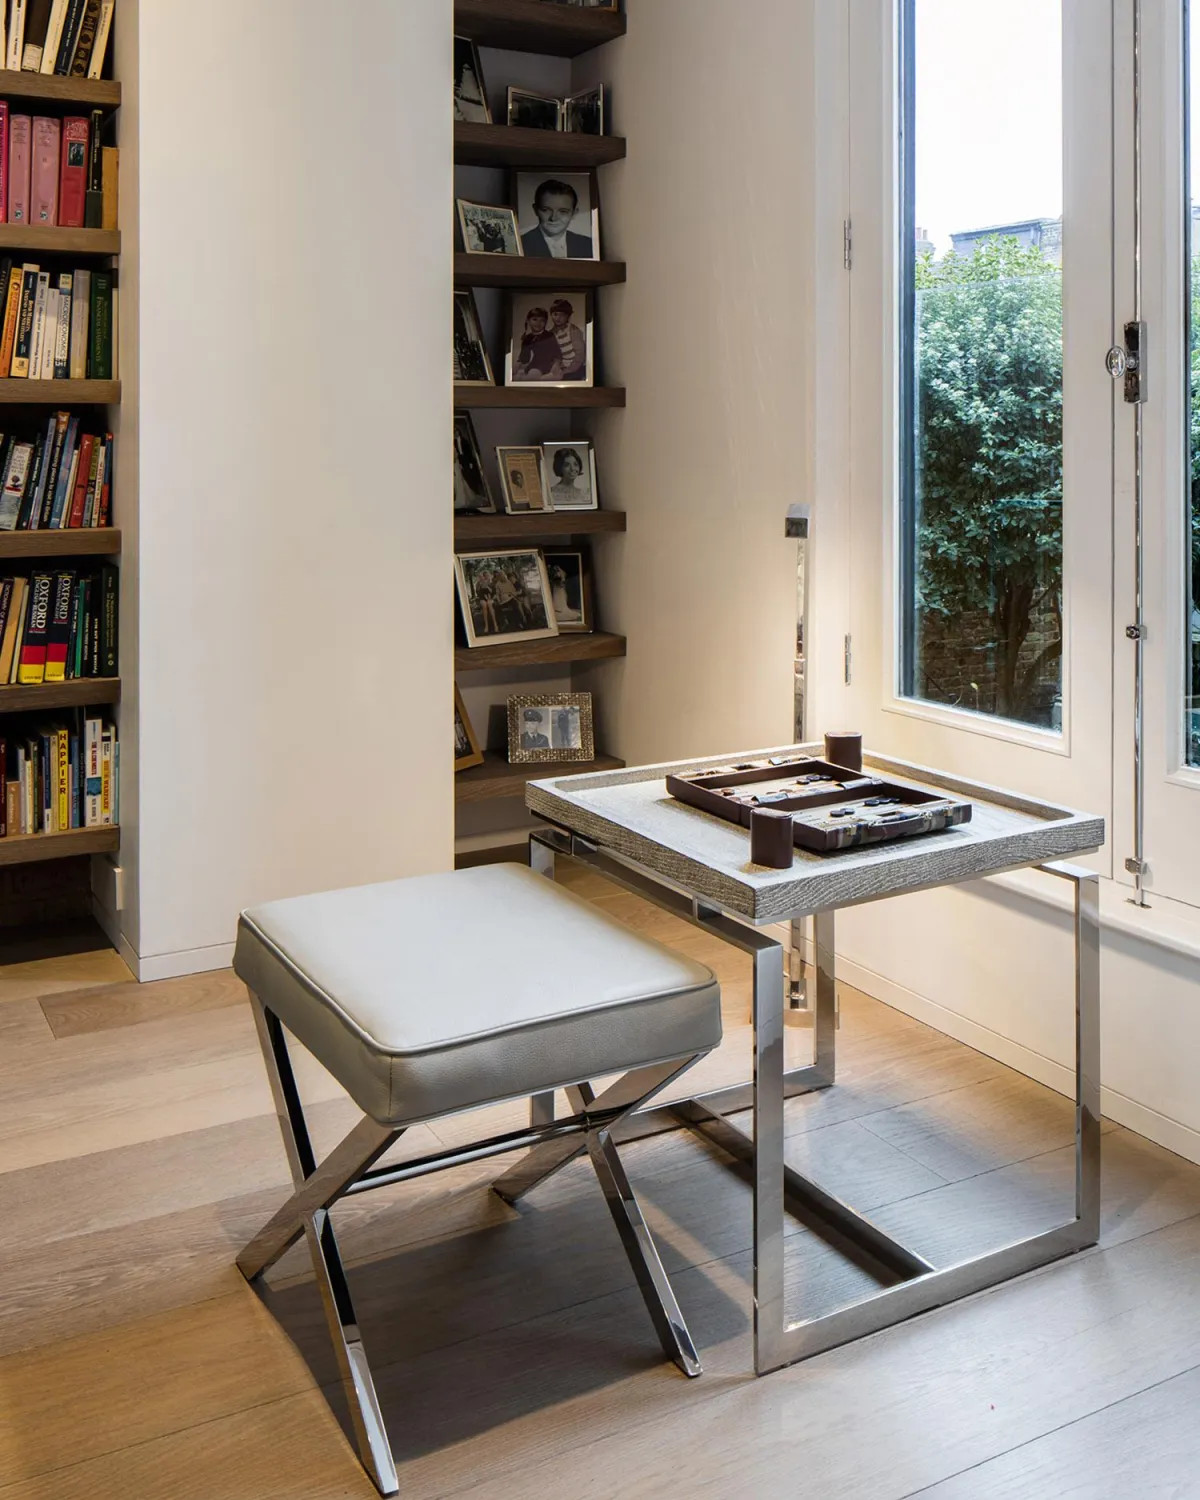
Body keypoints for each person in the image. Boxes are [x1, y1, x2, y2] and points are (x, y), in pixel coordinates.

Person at [521, 179, 593, 259]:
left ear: (574, 213)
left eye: (563, 211)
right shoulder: (521, 245)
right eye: (546, 210)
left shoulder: (589, 245)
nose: (553, 218)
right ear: (535, 210)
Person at [514, 307, 562, 381]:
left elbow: (557, 353)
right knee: (517, 376)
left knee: (533, 374)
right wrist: (517, 365)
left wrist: (556, 364)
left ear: (545, 322)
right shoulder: (527, 338)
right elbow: (524, 358)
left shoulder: (549, 336)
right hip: (534, 365)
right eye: (535, 319)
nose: (538, 323)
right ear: (528, 321)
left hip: (547, 365)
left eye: (542, 320)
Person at [548, 298, 587, 381]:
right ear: (551, 315)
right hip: (562, 366)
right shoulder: (551, 333)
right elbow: (553, 354)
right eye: (555, 314)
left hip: (577, 366)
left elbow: (580, 353)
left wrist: (569, 370)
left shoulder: (573, 330)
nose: (558, 318)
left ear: (568, 317)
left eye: (562, 315)